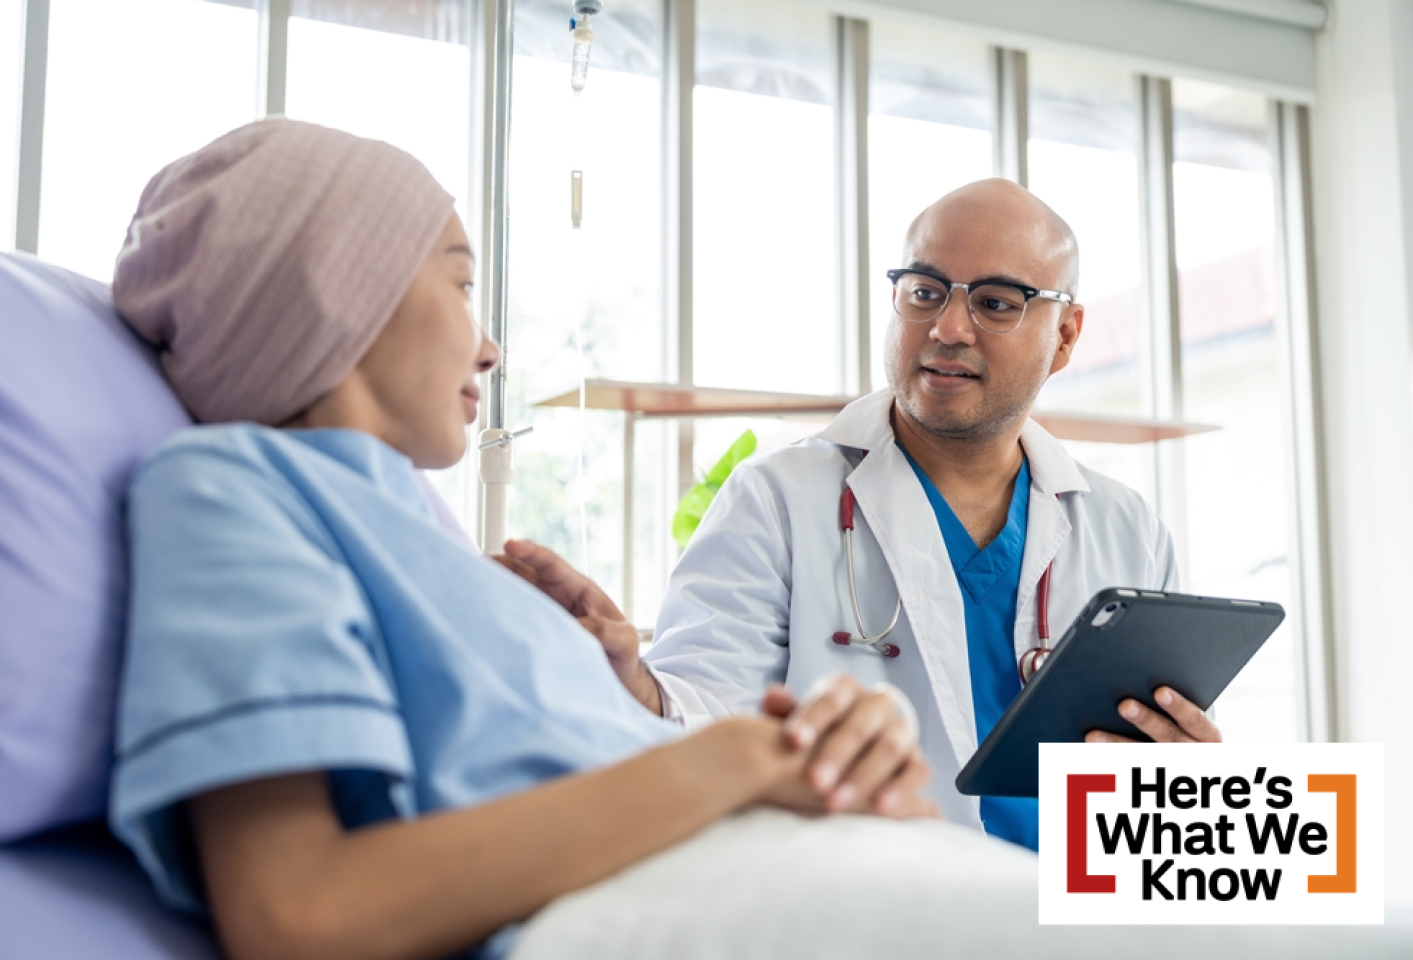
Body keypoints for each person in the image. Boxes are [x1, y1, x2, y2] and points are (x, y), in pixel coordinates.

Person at [107, 119, 938, 960]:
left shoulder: (426, 541)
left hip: (847, 875)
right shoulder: (230, 486)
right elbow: (299, 913)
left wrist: (833, 756)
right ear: (338, 291)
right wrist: (736, 760)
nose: (493, 349)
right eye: (462, 286)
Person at [614, 179, 1220, 852]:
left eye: (995, 303)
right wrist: (630, 686)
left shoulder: (1128, 531)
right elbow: (700, 716)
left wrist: (1191, 783)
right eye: (925, 292)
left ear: (1066, 336)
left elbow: (1173, 807)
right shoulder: (777, 503)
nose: (948, 328)